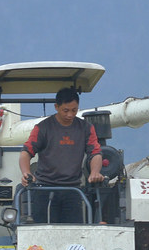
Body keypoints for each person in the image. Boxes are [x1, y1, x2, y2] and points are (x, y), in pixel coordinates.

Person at [19, 87, 104, 223]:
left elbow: (95, 153)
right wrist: (26, 172)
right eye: (66, 110)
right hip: (45, 190)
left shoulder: (86, 128)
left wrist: (95, 172)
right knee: (43, 230)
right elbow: (26, 152)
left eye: (74, 110)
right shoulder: (43, 128)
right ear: (56, 107)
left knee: (74, 231)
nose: (70, 114)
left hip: (73, 190)